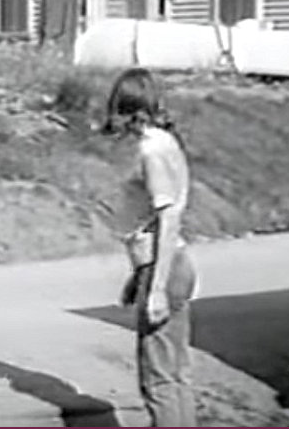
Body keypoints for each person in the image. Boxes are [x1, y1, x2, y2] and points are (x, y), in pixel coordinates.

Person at [103, 67, 198, 427]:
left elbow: (168, 219)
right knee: (176, 371)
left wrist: (154, 288)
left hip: (164, 265)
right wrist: (137, 276)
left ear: (125, 107)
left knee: (158, 377)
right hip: (171, 262)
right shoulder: (167, 140)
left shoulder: (150, 150)